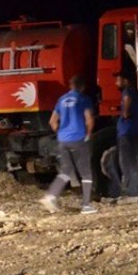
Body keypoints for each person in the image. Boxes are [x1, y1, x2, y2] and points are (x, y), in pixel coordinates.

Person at [40, 74, 97, 214]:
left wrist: (61, 132)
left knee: (66, 170)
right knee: (86, 173)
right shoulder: (83, 99)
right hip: (78, 139)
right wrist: (88, 134)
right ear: (82, 87)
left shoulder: (62, 99)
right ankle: (86, 206)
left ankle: (50, 196)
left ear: (70, 85)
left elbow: (52, 121)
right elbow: (89, 119)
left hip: (63, 139)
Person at [103, 70, 138, 204]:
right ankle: (116, 194)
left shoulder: (128, 92)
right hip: (129, 133)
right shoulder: (133, 92)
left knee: (127, 163)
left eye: (118, 80)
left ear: (126, 81)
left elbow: (126, 109)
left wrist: (124, 112)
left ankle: (133, 195)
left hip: (128, 132)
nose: (116, 83)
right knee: (118, 162)